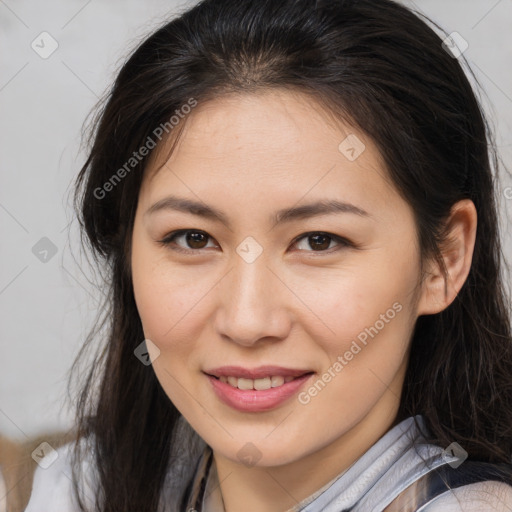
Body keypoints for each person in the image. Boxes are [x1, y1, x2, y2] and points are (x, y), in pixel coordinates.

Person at [24, 0, 512, 510]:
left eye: (318, 241)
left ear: (444, 259)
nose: (247, 320)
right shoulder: (79, 488)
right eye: (193, 238)